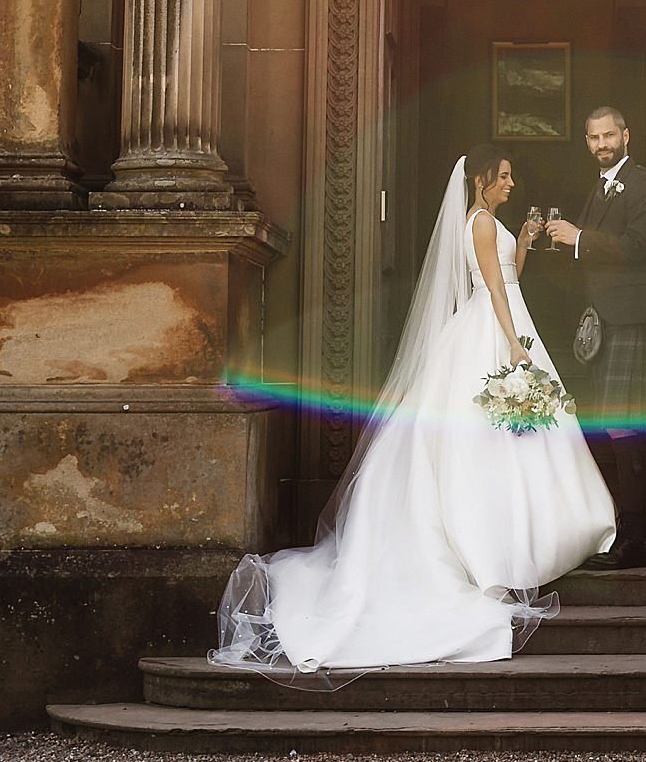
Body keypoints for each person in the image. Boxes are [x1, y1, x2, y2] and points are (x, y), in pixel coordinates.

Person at [211, 147, 617, 678]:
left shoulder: (489, 223)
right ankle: (504, 539)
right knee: (496, 431)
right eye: (506, 177)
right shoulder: (481, 223)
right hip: (498, 325)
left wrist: (529, 244)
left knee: (519, 429)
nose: (512, 184)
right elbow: (493, 287)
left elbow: (510, 275)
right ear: (481, 181)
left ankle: (535, 528)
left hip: (506, 314)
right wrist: (514, 344)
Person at [544, 104, 646, 569]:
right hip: (608, 319)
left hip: (635, 318)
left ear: (626, 135)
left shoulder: (644, 184)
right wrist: (561, 245)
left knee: (626, 428)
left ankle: (636, 537)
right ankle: (627, 531)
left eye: (609, 136)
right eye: (594, 138)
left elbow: (640, 246)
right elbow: (596, 251)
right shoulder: (598, 188)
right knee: (617, 427)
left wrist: (579, 238)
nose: (602, 144)